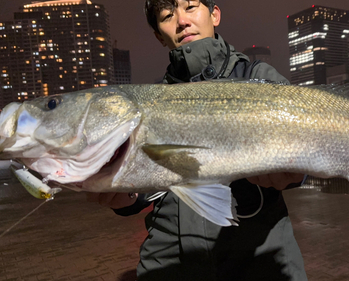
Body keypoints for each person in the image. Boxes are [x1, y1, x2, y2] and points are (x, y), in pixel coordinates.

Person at [87, 0, 308, 280]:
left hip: (258, 259)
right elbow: (146, 187)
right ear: (159, 35)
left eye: (190, 7)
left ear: (214, 14)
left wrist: (294, 173)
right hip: (168, 262)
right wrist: (125, 197)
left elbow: (306, 145)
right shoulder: (151, 100)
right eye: (167, 15)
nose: (181, 20)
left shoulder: (257, 78)